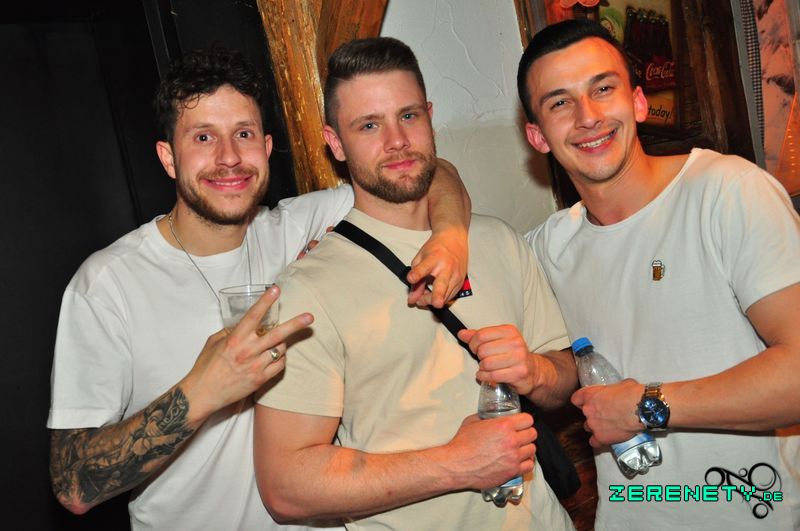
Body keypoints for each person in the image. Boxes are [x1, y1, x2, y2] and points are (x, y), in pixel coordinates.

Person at [47, 47, 473, 530]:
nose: (229, 157)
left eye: (244, 134)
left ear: (267, 148)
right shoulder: (109, 284)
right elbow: (73, 484)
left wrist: (451, 235)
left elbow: (429, 172)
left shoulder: (298, 225)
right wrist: (202, 391)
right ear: (168, 158)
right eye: (203, 137)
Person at [253, 36, 575, 530]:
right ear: (335, 143)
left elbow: (565, 376)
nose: (397, 140)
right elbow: (286, 487)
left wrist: (535, 371)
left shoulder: (498, 240)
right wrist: (455, 463)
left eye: (408, 116)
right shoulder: (308, 288)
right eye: (368, 125)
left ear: (429, 116)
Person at [517, 18, 800, 530]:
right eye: (560, 103)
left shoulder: (726, 192)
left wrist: (647, 406)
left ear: (639, 102)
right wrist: (449, 232)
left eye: (603, 89)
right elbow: (438, 178)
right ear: (537, 136)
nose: (588, 117)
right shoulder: (547, 249)